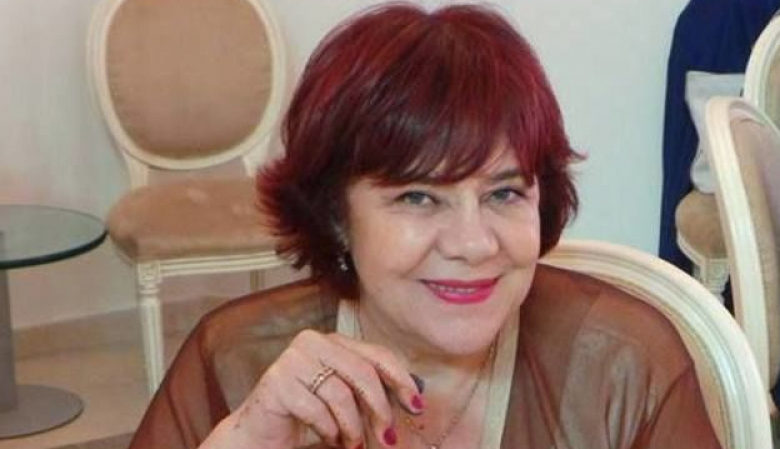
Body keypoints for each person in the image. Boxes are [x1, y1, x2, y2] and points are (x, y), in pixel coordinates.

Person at [128, 4, 722, 449]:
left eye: (504, 193)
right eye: (418, 197)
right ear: (335, 214)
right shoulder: (234, 362)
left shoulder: (623, 365)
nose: (474, 244)